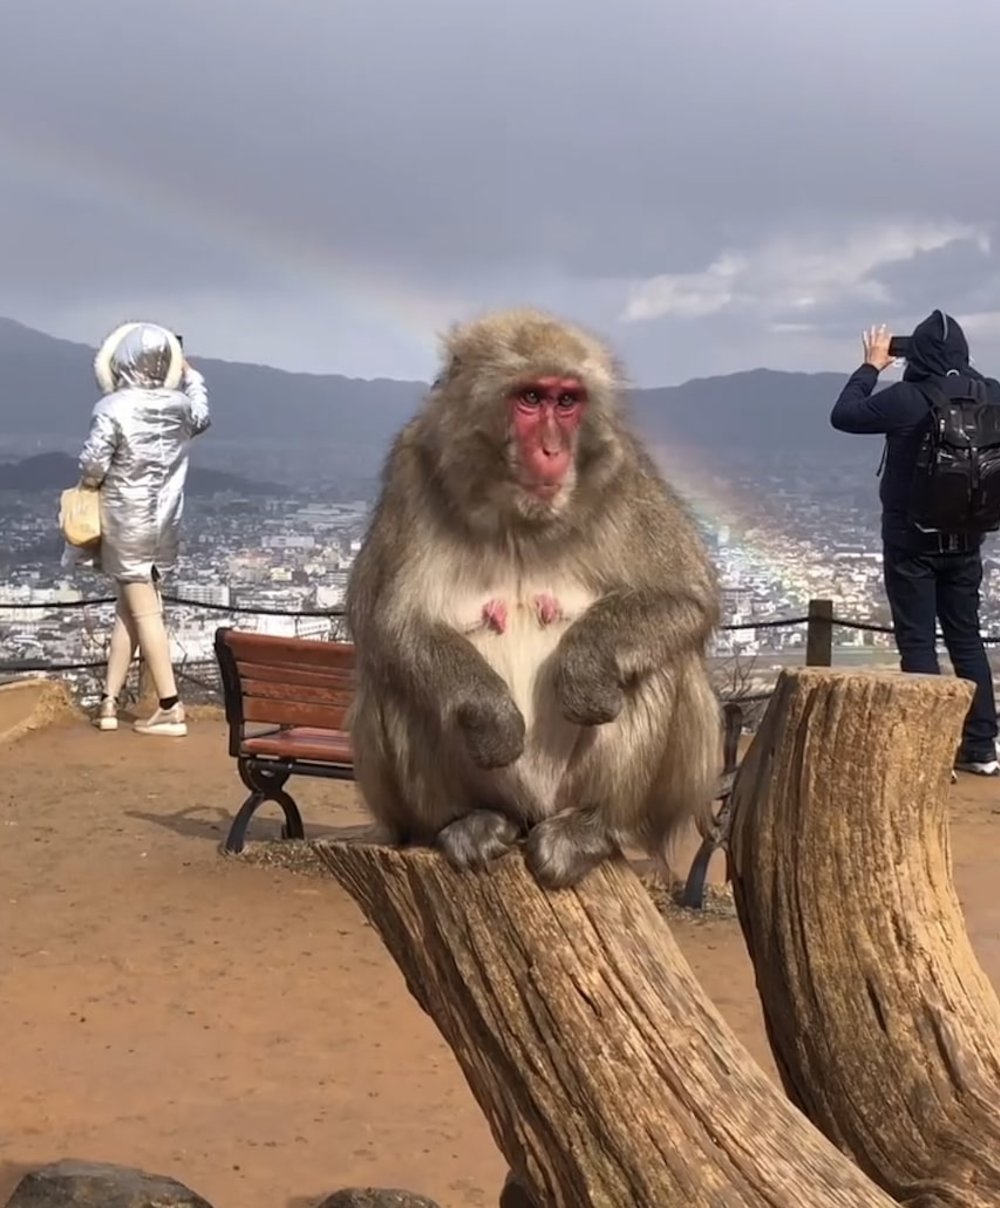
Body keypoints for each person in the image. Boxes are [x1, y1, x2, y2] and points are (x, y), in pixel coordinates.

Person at [830, 309, 1000, 776]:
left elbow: (843, 415)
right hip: (967, 540)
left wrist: (872, 365)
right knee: (967, 640)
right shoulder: (991, 394)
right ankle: (982, 747)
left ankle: (931, 750)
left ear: (917, 354)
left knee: (918, 641)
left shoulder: (907, 398)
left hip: (910, 541)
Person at [73, 321, 211, 736]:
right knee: (129, 610)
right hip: (164, 521)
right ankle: (109, 702)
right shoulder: (180, 407)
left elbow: (93, 463)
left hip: (126, 520)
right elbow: (202, 415)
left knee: (144, 611)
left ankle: (170, 706)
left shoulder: (112, 407)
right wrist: (192, 376)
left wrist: (88, 485)